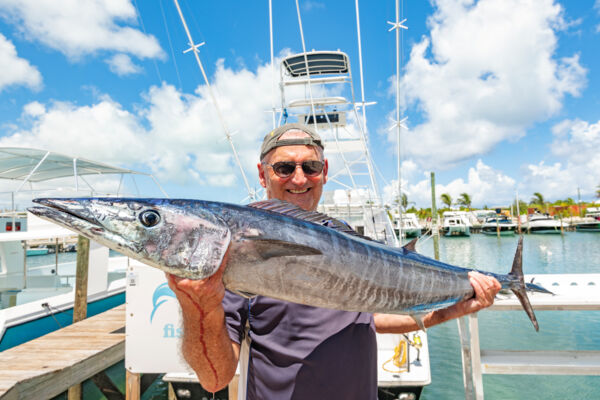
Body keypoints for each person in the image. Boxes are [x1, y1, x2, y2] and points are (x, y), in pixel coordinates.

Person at [166, 123, 501, 399]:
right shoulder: (234, 248)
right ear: (262, 173)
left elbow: (372, 317)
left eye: (309, 167)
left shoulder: (344, 237)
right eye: (284, 167)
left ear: (324, 172)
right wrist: (199, 306)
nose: (299, 179)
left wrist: (457, 307)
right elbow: (214, 379)